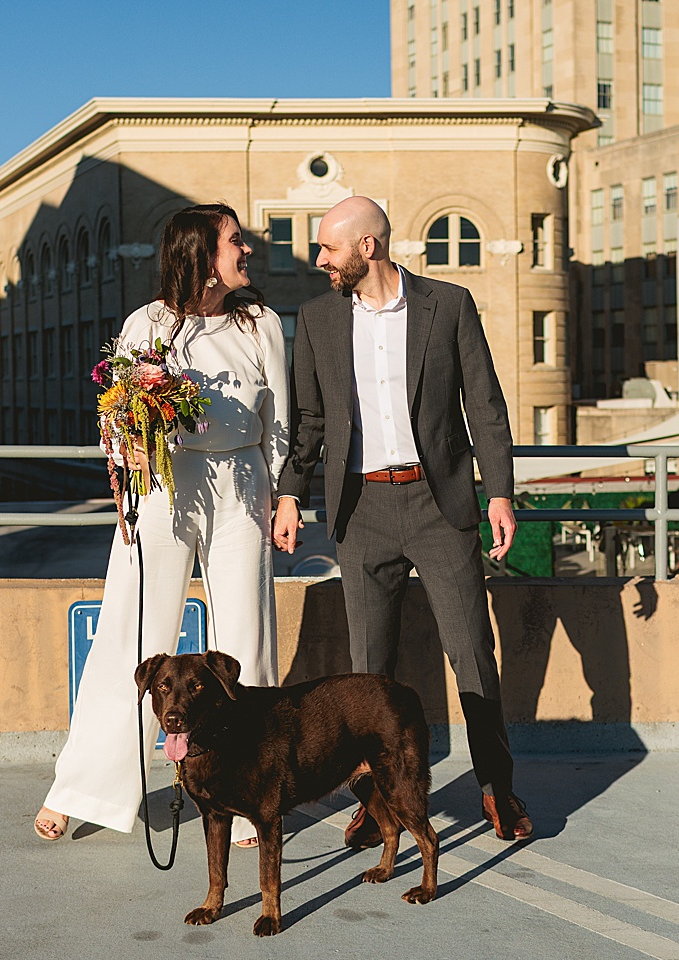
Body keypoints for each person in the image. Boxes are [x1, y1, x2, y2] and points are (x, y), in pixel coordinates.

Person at [272, 195, 533, 842]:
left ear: (369, 247)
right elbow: (308, 421)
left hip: (437, 504)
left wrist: (497, 492)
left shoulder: (449, 305)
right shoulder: (316, 319)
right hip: (360, 510)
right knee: (369, 673)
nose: (319, 260)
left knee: (473, 652)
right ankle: (378, 799)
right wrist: (288, 493)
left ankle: (496, 787)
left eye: (329, 248)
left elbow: (486, 405)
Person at [35, 203, 289, 848]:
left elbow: (281, 417)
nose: (247, 251)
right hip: (166, 489)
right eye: (235, 242)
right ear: (202, 254)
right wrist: (134, 445)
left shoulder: (259, 323)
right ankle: (82, 787)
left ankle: (245, 793)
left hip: (242, 483)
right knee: (132, 636)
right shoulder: (146, 325)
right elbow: (117, 423)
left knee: (245, 642)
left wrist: (283, 494)